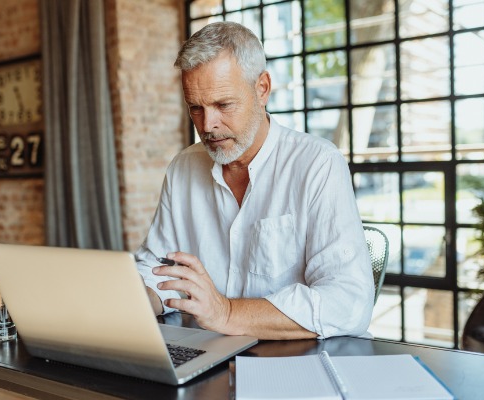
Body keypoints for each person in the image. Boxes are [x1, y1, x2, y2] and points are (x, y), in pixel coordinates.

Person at [134, 21, 373, 340]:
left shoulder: (317, 163)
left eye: (223, 105)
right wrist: (132, 300)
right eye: (196, 108)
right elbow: (157, 270)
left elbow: (347, 302)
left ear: (262, 88)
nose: (208, 125)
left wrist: (227, 313)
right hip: (208, 351)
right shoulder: (183, 168)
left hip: (296, 362)